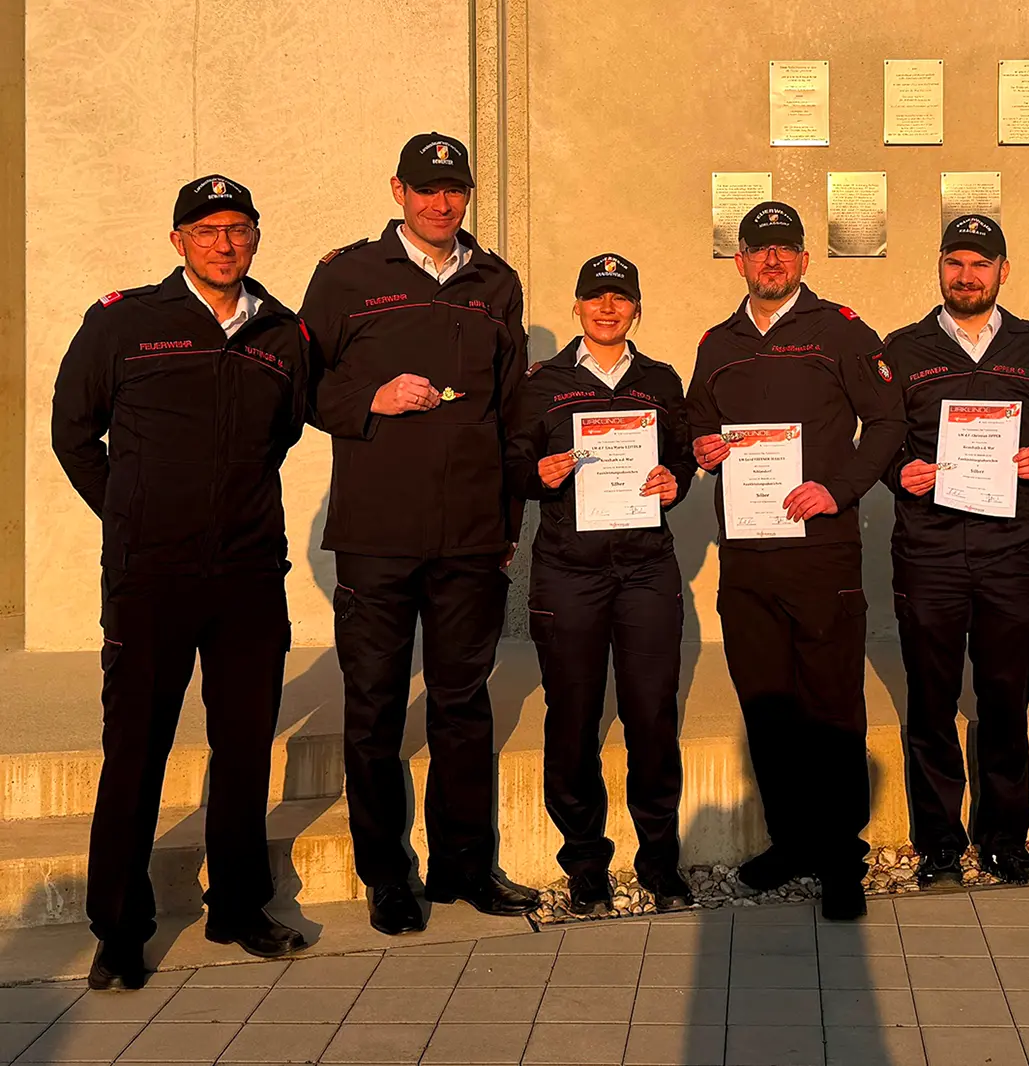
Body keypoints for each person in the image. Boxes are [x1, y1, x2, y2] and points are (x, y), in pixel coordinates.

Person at [52, 175, 311, 987]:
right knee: (136, 750)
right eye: (206, 231)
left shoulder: (282, 333)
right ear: (178, 243)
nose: (224, 244)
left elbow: (284, 433)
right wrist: (131, 517)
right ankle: (119, 928)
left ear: (256, 237)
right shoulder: (125, 321)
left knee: (243, 746)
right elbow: (72, 434)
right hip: (150, 577)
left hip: (246, 577)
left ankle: (238, 906)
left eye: (238, 229)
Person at [300, 132, 537, 935]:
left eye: (457, 190)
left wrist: (509, 522)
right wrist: (370, 397)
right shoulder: (346, 277)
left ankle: (463, 866)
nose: (443, 204)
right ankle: (385, 875)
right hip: (378, 534)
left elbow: (511, 414)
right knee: (372, 707)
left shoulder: (494, 281)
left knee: (462, 704)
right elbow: (303, 387)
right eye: (427, 189)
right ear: (396, 190)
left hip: (471, 534)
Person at [685, 201, 906, 920]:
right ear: (740, 260)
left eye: (785, 249)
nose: (772, 260)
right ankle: (792, 841)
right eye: (759, 249)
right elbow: (696, 422)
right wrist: (702, 448)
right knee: (768, 704)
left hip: (821, 555)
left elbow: (890, 419)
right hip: (747, 559)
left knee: (831, 704)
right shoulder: (718, 342)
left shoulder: (840, 332)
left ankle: (841, 854)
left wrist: (837, 488)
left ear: (805, 260)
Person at [879, 214, 1029, 888]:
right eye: (955, 263)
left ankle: (1004, 840)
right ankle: (939, 845)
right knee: (931, 702)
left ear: (1003, 270)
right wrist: (896, 470)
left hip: (1010, 552)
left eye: (980, 264)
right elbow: (878, 440)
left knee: (1004, 701)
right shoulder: (902, 350)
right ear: (940, 267)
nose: (967, 276)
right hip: (928, 552)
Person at [504, 253, 696, 916]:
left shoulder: (662, 380)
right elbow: (513, 464)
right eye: (596, 299)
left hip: (646, 569)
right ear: (578, 306)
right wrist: (539, 475)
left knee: (651, 715)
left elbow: (680, 460)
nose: (607, 309)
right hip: (569, 570)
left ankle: (659, 858)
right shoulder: (542, 385)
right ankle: (585, 860)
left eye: (620, 298)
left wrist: (677, 482)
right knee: (575, 717)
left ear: (636, 307)